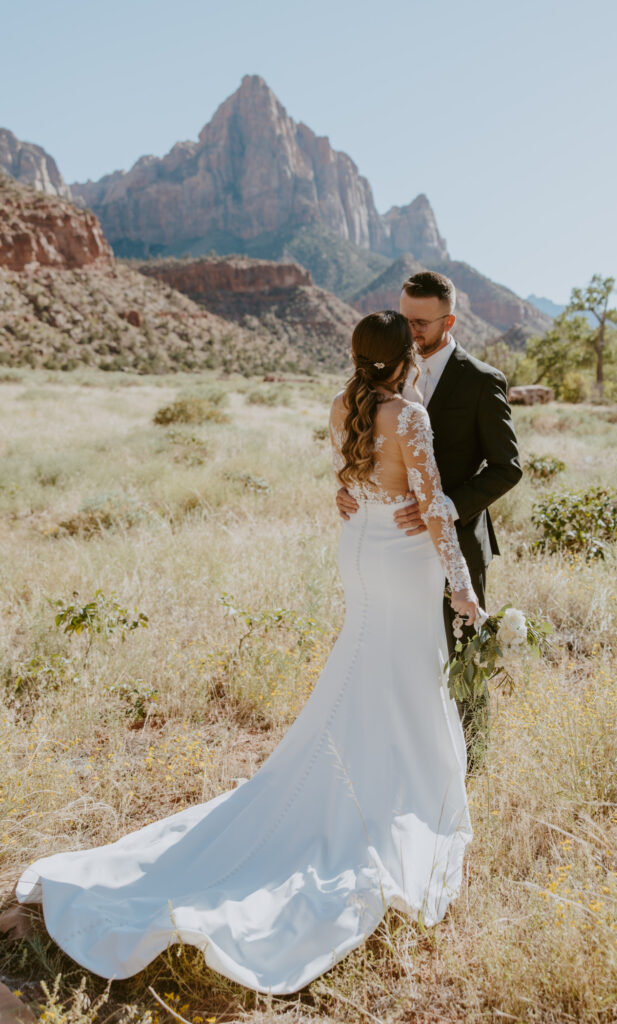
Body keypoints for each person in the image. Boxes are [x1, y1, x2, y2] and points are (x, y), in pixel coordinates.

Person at [10, 312, 479, 995]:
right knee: (399, 673)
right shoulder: (407, 414)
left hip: (360, 551)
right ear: (405, 356)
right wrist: (463, 589)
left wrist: (357, 497)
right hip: (402, 559)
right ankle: (390, 796)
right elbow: (433, 505)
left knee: (368, 665)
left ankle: (365, 775)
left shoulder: (342, 404)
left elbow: (351, 485)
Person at [337, 272, 523, 771]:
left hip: (459, 538)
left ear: (449, 320)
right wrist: (351, 487)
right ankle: (407, 759)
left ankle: (470, 761)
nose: (411, 330)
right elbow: (369, 449)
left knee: (464, 657)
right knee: (404, 654)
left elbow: (508, 468)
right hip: (395, 551)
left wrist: (441, 506)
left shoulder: (482, 380)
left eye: (421, 322)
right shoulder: (374, 387)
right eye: (405, 319)